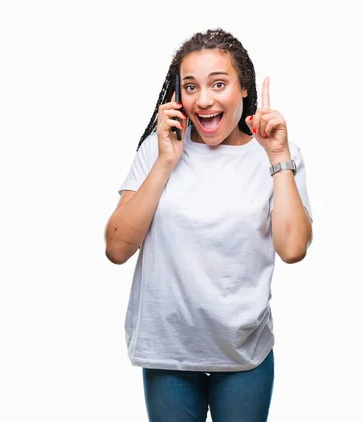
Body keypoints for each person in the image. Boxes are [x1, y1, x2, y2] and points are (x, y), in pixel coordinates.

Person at [104, 28, 313, 422]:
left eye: (219, 84)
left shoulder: (276, 155)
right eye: (190, 87)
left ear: (243, 88)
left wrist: (279, 155)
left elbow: (293, 248)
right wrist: (166, 161)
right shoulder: (158, 149)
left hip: (243, 351)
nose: (203, 100)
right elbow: (117, 249)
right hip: (168, 350)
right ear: (178, 96)